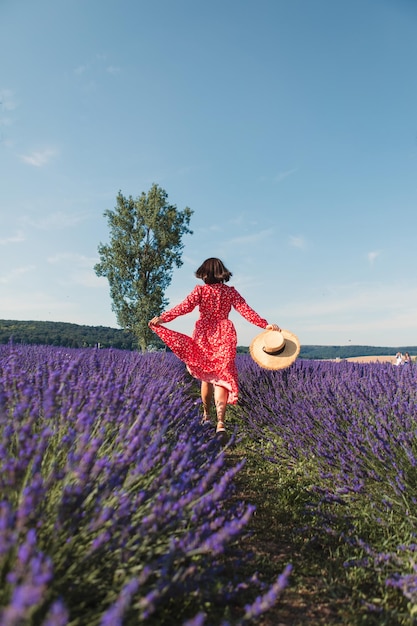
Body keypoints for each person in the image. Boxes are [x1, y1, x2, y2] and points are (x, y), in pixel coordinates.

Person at [148, 257, 281, 437]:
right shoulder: (230, 292)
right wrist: (264, 325)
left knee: (206, 377)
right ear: (221, 273)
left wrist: (163, 318)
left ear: (205, 274)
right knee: (222, 377)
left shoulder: (200, 291)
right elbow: (246, 310)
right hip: (225, 334)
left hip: (204, 334)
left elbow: (183, 308)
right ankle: (221, 423)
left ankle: (206, 416)